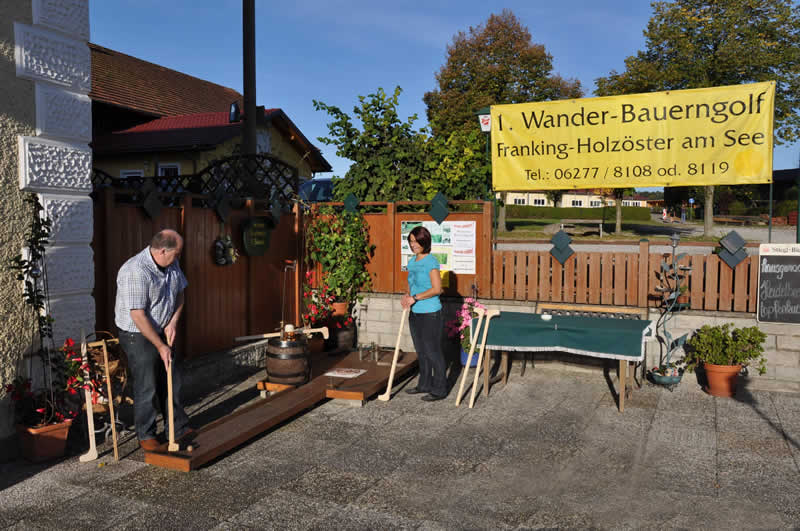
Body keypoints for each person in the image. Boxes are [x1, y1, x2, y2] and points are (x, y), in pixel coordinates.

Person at [115, 229, 191, 450]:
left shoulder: (171, 264)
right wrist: (159, 345)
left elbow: (180, 293)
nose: (178, 258)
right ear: (163, 250)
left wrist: (173, 322)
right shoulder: (135, 270)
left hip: (162, 327)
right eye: (176, 254)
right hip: (136, 332)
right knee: (146, 383)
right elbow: (137, 315)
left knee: (171, 378)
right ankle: (146, 434)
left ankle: (177, 427)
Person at [401, 226, 447, 401]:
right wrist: (406, 296)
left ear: (425, 241)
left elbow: (437, 289)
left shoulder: (431, 262)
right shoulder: (412, 261)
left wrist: (415, 297)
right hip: (415, 312)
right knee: (421, 351)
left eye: (417, 241)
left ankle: (440, 389)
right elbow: (411, 282)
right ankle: (425, 384)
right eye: (411, 241)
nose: (414, 245)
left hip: (430, 313)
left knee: (432, 351)